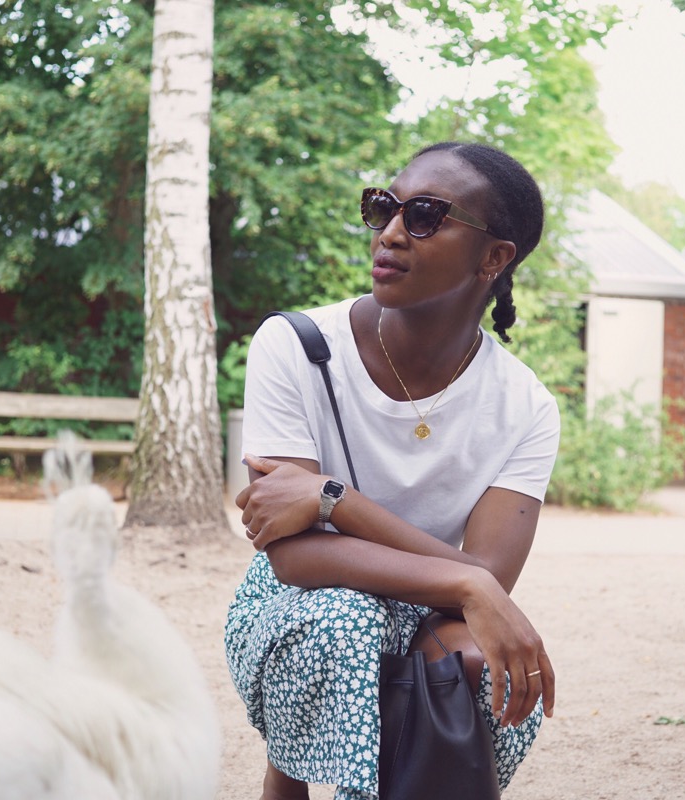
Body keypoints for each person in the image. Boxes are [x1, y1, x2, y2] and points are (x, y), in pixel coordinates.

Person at [225, 141, 560, 800]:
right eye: (383, 208)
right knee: (344, 624)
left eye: (427, 215)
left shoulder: (524, 406)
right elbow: (293, 559)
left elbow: (484, 582)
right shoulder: (295, 346)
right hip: (296, 604)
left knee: (479, 667)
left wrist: (333, 500)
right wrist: (468, 582)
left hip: (431, 605)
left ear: (494, 258)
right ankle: (288, 777)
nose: (391, 232)